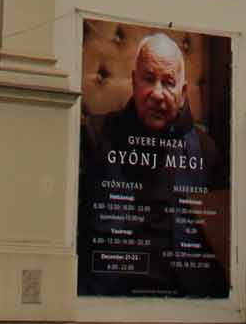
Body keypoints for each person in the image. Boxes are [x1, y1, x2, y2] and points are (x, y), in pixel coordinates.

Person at [78, 32, 230, 297]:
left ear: (183, 93)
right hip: (108, 298)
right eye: (149, 79)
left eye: (168, 82)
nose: (157, 94)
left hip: (186, 303)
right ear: (134, 82)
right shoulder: (96, 136)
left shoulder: (206, 150)